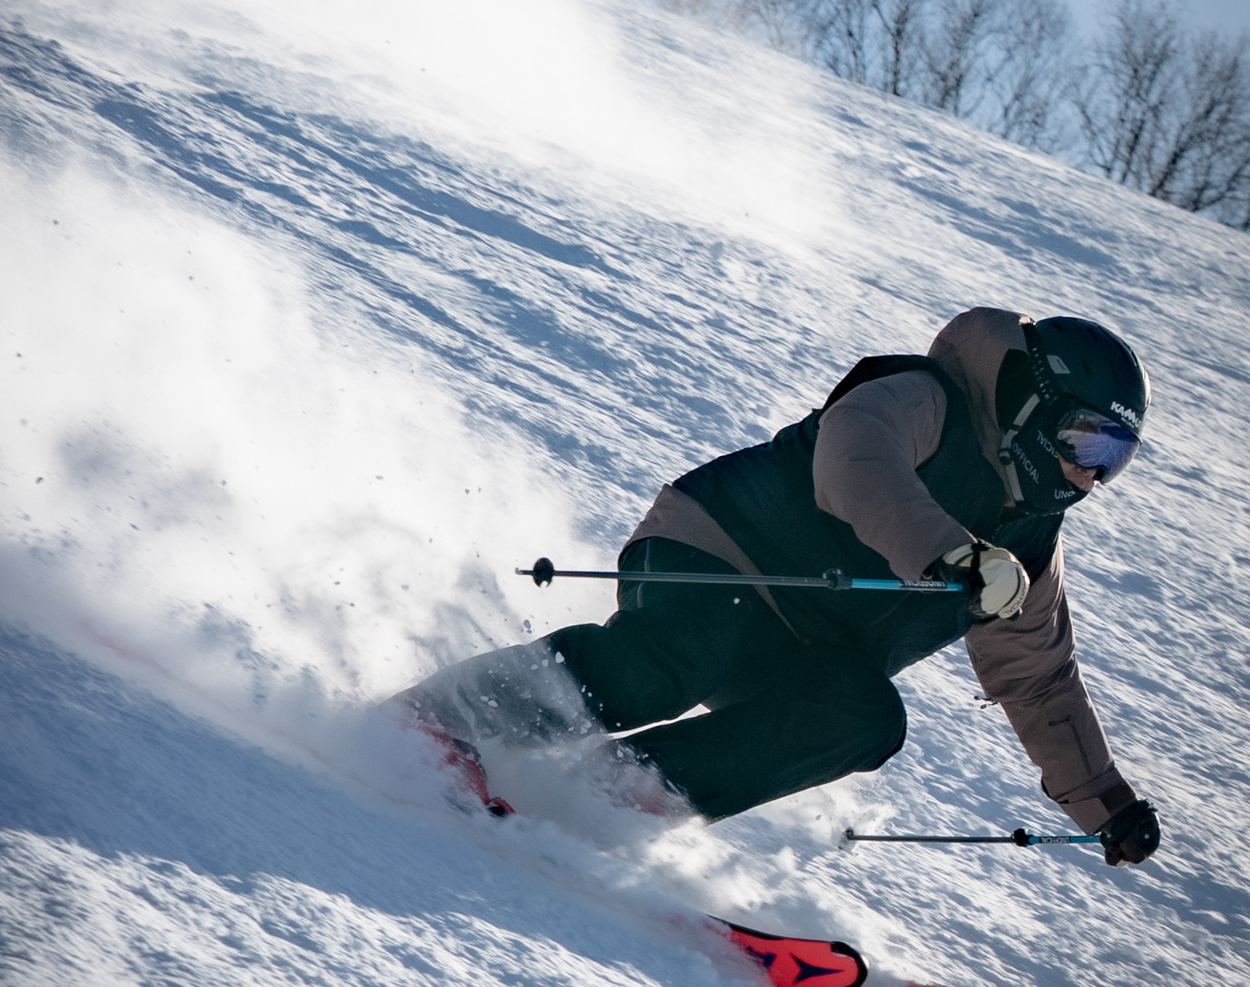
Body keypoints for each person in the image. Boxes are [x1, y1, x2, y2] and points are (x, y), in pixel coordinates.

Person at [393, 307, 1161, 866]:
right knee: (671, 662)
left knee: (865, 718)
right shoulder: (927, 396)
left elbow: (1041, 682)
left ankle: (610, 797)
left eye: (1113, 458)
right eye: (1084, 440)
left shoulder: (1028, 543)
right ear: (1034, 405)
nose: (1088, 475)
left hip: (800, 646)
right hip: (722, 553)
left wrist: (1108, 806)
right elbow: (856, 467)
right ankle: (436, 719)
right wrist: (953, 555)